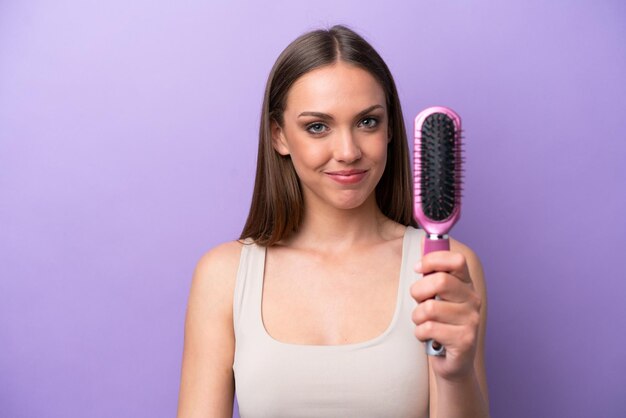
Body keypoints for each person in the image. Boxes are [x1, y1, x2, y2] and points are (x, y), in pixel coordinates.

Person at [177, 25, 489, 418]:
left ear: (390, 128)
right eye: (317, 127)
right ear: (279, 136)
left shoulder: (445, 268)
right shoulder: (224, 275)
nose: (347, 151)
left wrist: (455, 375)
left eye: (367, 122)